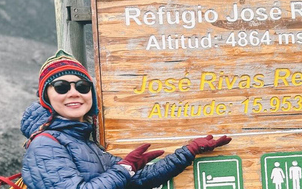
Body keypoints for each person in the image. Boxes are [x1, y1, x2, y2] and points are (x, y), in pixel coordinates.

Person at [20, 50, 231, 189]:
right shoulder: (45, 144)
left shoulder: (83, 140)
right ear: (46, 96)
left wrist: (188, 151)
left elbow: (136, 180)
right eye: (62, 87)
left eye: (82, 87)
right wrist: (124, 168)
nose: (74, 93)